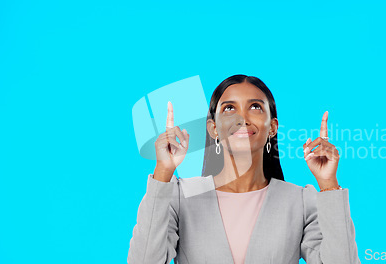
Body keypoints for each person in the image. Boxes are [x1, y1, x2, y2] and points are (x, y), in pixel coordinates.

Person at [128, 74, 361, 264]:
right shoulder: (180, 195)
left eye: (256, 107)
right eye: (229, 108)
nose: (242, 117)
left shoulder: (300, 201)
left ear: (272, 128)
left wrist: (328, 184)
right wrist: (163, 172)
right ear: (213, 129)